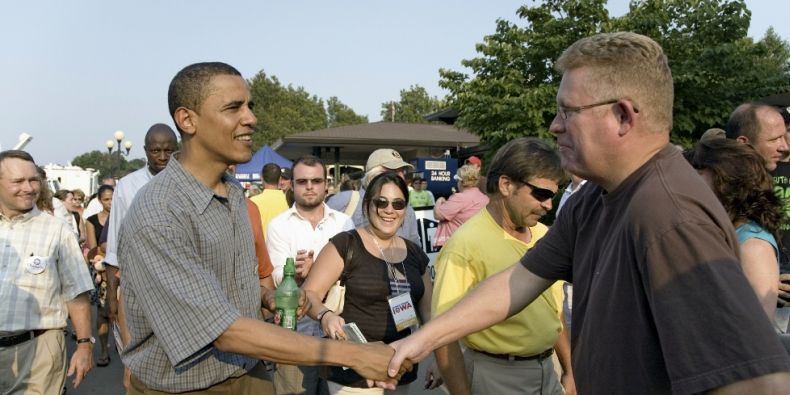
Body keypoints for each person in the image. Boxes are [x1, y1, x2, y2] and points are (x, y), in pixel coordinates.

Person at [385, 32, 790, 393]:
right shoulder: (595, 197)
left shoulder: (669, 215)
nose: (555, 125)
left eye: (568, 111)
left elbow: (758, 382)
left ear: (623, 115)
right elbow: (521, 279)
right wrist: (421, 340)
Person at [118, 62, 404, 394]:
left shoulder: (233, 192)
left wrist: (266, 296)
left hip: (249, 374)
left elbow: (224, 286)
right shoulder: (158, 214)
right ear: (187, 119)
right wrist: (353, 354)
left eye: (250, 106)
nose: (251, 118)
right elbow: (222, 330)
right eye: (233, 107)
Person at [432, 138, 572, 395]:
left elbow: (556, 311)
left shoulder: (545, 236)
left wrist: (570, 370)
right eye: (541, 194)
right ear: (506, 185)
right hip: (495, 377)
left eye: (554, 195)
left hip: (547, 374)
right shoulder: (464, 246)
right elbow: (443, 336)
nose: (549, 205)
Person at [303, 171, 434, 394]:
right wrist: (325, 315)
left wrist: (440, 359)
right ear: (367, 205)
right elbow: (309, 294)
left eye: (398, 203)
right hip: (353, 375)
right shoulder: (346, 244)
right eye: (381, 202)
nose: (389, 210)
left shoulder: (414, 254)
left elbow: (431, 315)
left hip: (401, 371)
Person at [0, 150, 95, 393]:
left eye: (34, 180)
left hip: (39, 350)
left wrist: (84, 345)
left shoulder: (56, 230)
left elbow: (77, 294)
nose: (30, 188)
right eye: (18, 181)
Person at [267, 155, 354, 395]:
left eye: (316, 181)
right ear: (291, 185)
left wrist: (319, 270)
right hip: (295, 334)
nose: (309, 186)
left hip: (337, 333)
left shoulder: (345, 223)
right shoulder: (279, 225)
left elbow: (355, 271)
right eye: (302, 181)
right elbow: (275, 276)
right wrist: (292, 275)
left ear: (326, 184)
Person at [103, 122, 178, 387]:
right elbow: (114, 245)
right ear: (145, 150)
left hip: (178, 290)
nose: (162, 157)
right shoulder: (127, 185)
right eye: (156, 150)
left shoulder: (189, 182)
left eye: (168, 150)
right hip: (135, 291)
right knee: (134, 369)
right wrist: (113, 295)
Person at [686, 139, 784, 327]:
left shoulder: (754, 248)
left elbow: (756, 329)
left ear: (723, 179)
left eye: (699, 171)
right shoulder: (722, 231)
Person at [327, 149, 420, 245]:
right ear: (372, 175)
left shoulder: (407, 210)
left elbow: (415, 249)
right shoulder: (345, 200)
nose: (401, 176)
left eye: (403, 171)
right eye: (394, 172)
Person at [85, 184, 115, 366]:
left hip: (121, 268)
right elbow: (93, 248)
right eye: (106, 199)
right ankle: (104, 349)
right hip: (100, 269)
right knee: (103, 312)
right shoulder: (92, 221)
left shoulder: (123, 216)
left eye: (113, 198)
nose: (110, 203)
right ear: (99, 201)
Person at [432, 164, 488, 249]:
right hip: (478, 242)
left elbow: (438, 215)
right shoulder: (485, 198)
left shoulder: (459, 198)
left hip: (457, 245)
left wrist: (439, 201)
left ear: (461, 182)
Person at [726, 102, 789, 171]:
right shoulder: (719, 179)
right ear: (742, 143)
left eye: (783, 136)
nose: (785, 147)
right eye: (774, 139)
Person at [250, 162, 289, 239]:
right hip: (283, 248)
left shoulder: (252, 202)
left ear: (261, 178)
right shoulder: (290, 201)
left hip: (261, 249)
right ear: (280, 179)